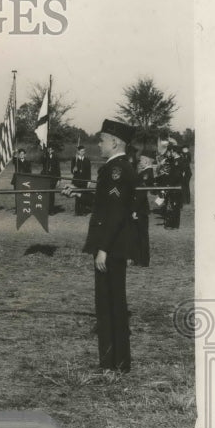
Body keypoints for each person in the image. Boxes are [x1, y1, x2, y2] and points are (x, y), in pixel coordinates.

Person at [74, 118, 138, 373]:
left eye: (101, 140)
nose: (98, 144)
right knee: (112, 304)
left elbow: (115, 213)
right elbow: (105, 204)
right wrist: (80, 193)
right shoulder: (117, 168)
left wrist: (104, 248)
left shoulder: (117, 170)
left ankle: (114, 364)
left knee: (109, 305)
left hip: (110, 248)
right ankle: (115, 364)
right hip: (111, 246)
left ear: (114, 142)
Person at [70, 144, 92, 216]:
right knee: (77, 195)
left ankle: (83, 211)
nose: (83, 152)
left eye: (84, 151)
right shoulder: (74, 160)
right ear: (78, 152)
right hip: (76, 180)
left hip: (84, 181)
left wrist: (89, 181)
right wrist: (74, 169)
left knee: (83, 195)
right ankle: (77, 211)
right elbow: (72, 170)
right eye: (82, 151)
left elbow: (89, 172)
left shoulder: (87, 160)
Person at [41, 145, 62, 214]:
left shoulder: (56, 157)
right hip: (45, 177)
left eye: (51, 149)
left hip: (53, 178)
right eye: (48, 149)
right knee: (45, 193)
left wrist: (59, 179)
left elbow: (58, 168)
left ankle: (51, 210)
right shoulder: (45, 156)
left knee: (52, 194)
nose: (49, 151)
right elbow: (42, 162)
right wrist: (44, 153)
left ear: (53, 150)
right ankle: (45, 209)